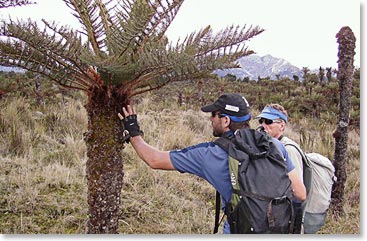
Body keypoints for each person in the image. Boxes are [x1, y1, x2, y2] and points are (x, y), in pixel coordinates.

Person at [120, 93, 306, 234]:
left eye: (214, 115)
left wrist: (133, 131)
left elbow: (154, 159)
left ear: (226, 121)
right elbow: (301, 193)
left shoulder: (211, 154)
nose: (210, 119)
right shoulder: (274, 144)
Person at [256, 104, 305, 234]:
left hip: (288, 221)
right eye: (261, 121)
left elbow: (299, 194)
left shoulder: (289, 150)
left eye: (269, 122)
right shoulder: (267, 147)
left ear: (282, 126)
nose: (263, 125)